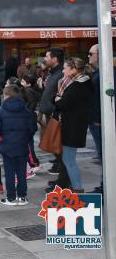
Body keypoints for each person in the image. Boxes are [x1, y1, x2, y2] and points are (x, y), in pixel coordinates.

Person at [53, 58, 93, 193]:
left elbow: (62, 104)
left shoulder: (78, 85)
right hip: (75, 125)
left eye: (65, 68)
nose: (63, 71)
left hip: (73, 127)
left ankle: (77, 188)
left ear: (74, 70)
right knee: (68, 159)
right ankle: (75, 186)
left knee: (68, 159)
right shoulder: (83, 83)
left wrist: (58, 98)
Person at [0, 85, 37, 206]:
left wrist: (2, 141)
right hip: (22, 146)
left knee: (9, 173)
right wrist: (26, 139)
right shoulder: (26, 111)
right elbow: (32, 128)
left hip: (7, 147)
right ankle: (22, 197)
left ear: (6, 95)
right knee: (21, 172)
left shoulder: (1, 112)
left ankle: (11, 197)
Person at [38, 47, 68, 186]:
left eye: (47, 56)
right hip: (49, 116)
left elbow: (61, 97)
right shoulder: (53, 74)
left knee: (60, 149)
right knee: (54, 148)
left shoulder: (61, 74)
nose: (45, 58)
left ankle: (64, 183)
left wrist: (53, 111)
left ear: (55, 59)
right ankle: (62, 180)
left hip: (55, 117)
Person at [88, 44, 104, 193]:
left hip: (98, 120)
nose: (88, 56)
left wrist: (98, 118)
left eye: (90, 54)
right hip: (95, 119)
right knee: (101, 154)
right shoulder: (98, 73)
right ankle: (104, 184)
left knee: (103, 154)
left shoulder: (103, 74)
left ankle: (105, 185)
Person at [20, 74, 41, 174]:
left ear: (28, 83)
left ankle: (34, 164)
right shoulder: (32, 90)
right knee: (29, 143)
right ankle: (33, 163)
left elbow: (29, 105)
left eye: (23, 81)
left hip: (28, 120)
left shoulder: (27, 91)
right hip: (31, 120)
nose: (21, 82)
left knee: (28, 144)